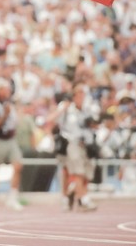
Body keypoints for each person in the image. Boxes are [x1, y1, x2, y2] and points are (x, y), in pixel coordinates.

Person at [48, 83, 98, 211]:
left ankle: (72, 193)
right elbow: (50, 120)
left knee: (86, 174)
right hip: (71, 143)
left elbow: (95, 125)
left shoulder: (89, 108)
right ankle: (83, 200)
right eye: (78, 94)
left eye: (83, 94)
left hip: (87, 144)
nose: (81, 96)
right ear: (73, 95)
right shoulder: (66, 108)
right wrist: (62, 108)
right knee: (76, 172)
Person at [0, 78, 24, 212]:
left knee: (18, 165)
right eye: (6, 89)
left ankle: (12, 198)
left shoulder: (9, 103)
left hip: (10, 139)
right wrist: (5, 116)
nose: (9, 92)